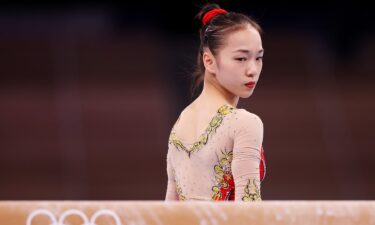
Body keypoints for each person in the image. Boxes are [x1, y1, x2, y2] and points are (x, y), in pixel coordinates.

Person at [165, 3, 266, 201]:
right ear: (209, 61)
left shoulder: (180, 122)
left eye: (259, 58)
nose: (253, 69)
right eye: (241, 59)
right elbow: (249, 209)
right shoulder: (243, 122)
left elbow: (168, 210)